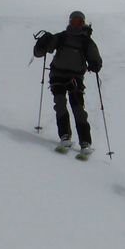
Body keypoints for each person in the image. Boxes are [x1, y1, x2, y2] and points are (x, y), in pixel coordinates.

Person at [34, 10, 102, 152]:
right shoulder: (63, 37)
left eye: (79, 22)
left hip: (74, 78)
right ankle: (65, 136)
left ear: (83, 23)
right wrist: (43, 44)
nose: (76, 24)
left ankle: (85, 142)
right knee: (60, 104)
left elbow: (95, 59)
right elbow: (42, 51)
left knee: (77, 109)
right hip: (58, 76)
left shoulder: (85, 41)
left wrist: (95, 64)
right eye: (74, 21)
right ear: (70, 22)